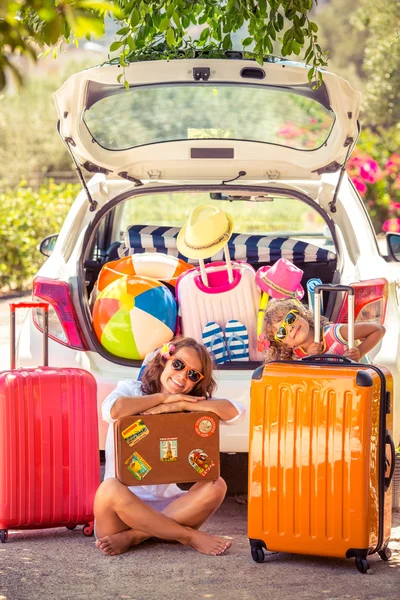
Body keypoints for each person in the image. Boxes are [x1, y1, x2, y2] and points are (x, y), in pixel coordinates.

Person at [94, 337, 244, 557]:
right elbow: (112, 410)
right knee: (108, 489)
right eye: (178, 364)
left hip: (169, 508)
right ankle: (187, 536)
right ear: (165, 359)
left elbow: (235, 413)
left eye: (193, 374)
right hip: (121, 512)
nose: (182, 376)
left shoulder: (191, 402)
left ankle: (136, 535)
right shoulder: (132, 389)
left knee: (217, 485)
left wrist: (181, 403)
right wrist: (163, 399)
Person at [259, 298, 386, 362]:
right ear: (283, 344)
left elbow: (378, 330)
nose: (290, 327)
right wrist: (311, 357)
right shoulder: (297, 357)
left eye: (290, 318)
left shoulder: (334, 333)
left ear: (301, 314)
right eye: (282, 332)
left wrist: (359, 353)